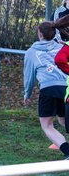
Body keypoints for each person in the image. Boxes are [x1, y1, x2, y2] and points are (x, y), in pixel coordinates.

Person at [24, 20, 69, 160]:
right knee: (64, 121)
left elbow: (29, 76)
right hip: (66, 88)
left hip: (48, 88)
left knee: (47, 125)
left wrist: (27, 93)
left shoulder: (32, 52)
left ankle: (68, 151)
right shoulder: (62, 46)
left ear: (40, 34)